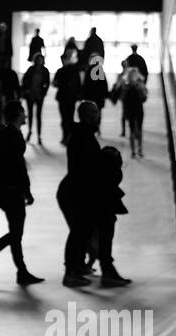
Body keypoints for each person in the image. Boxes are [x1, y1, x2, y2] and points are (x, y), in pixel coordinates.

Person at [0, 100, 44, 285]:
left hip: (4, 188)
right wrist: (26, 190)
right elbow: (18, 166)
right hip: (12, 190)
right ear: (17, 115)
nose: (26, 115)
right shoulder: (13, 136)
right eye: (23, 112)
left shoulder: (6, 134)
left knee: (15, 232)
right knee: (16, 233)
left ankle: (19, 270)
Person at [57, 100, 102, 287]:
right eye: (93, 111)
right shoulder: (82, 136)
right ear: (85, 115)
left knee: (82, 231)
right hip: (75, 191)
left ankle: (78, 266)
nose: (97, 114)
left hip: (76, 189)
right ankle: (70, 272)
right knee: (78, 231)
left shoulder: (82, 134)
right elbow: (84, 166)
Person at [92, 146, 131, 286]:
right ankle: (108, 273)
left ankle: (107, 270)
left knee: (103, 240)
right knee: (105, 240)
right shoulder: (111, 175)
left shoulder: (101, 175)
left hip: (103, 207)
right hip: (105, 208)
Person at [22, 54, 50, 145]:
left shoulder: (45, 71)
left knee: (38, 115)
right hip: (31, 94)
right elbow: (25, 80)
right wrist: (26, 90)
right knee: (30, 114)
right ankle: (30, 131)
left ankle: (39, 135)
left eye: (41, 60)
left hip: (39, 95)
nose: (39, 61)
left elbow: (47, 83)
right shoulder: (31, 70)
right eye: (38, 59)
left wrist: (44, 92)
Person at [120, 67, 147, 159]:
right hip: (138, 109)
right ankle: (140, 148)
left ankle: (133, 152)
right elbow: (144, 98)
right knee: (139, 129)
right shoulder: (139, 84)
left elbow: (122, 98)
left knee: (131, 130)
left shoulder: (125, 85)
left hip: (129, 109)